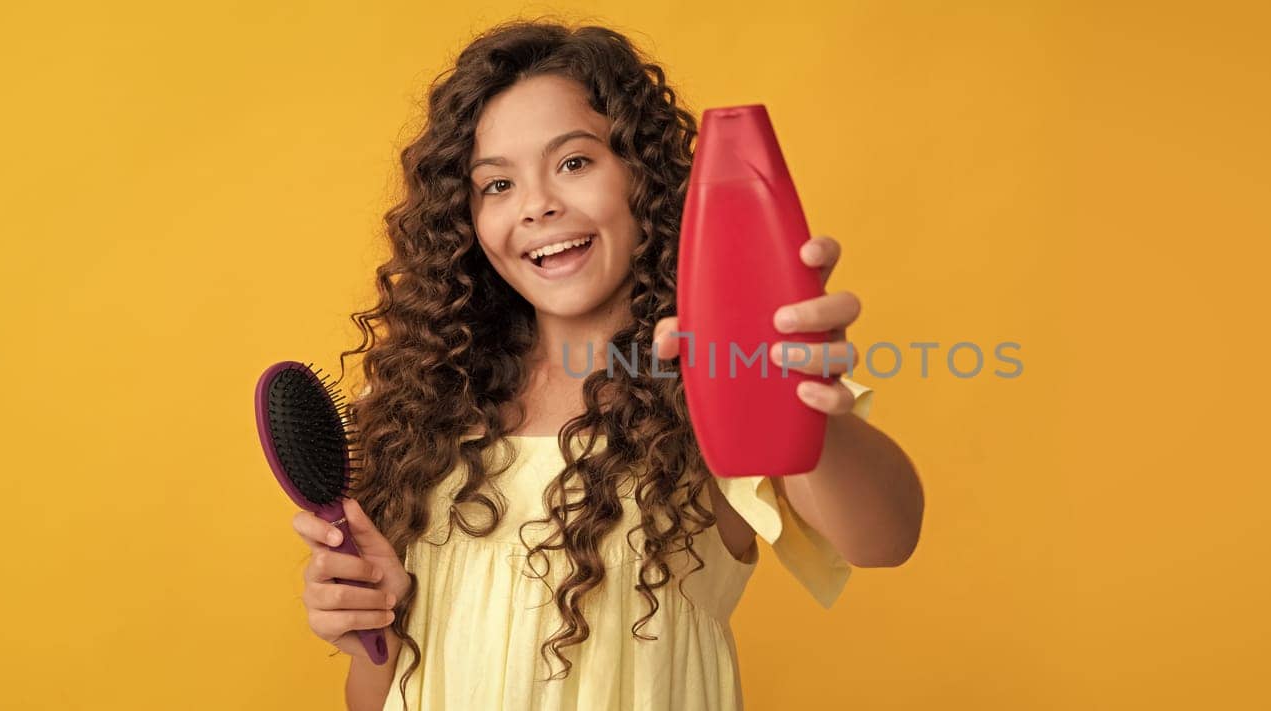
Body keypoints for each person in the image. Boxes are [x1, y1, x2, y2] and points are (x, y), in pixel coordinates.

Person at [287, 18, 923, 711]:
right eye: (496, 185)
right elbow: (378, 700)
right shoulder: (430, 412)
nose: (537, 205)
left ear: (640, 178)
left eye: (574, 162)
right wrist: (372, 634)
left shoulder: (712, 376)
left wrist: (808, 407)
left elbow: (885, 536)